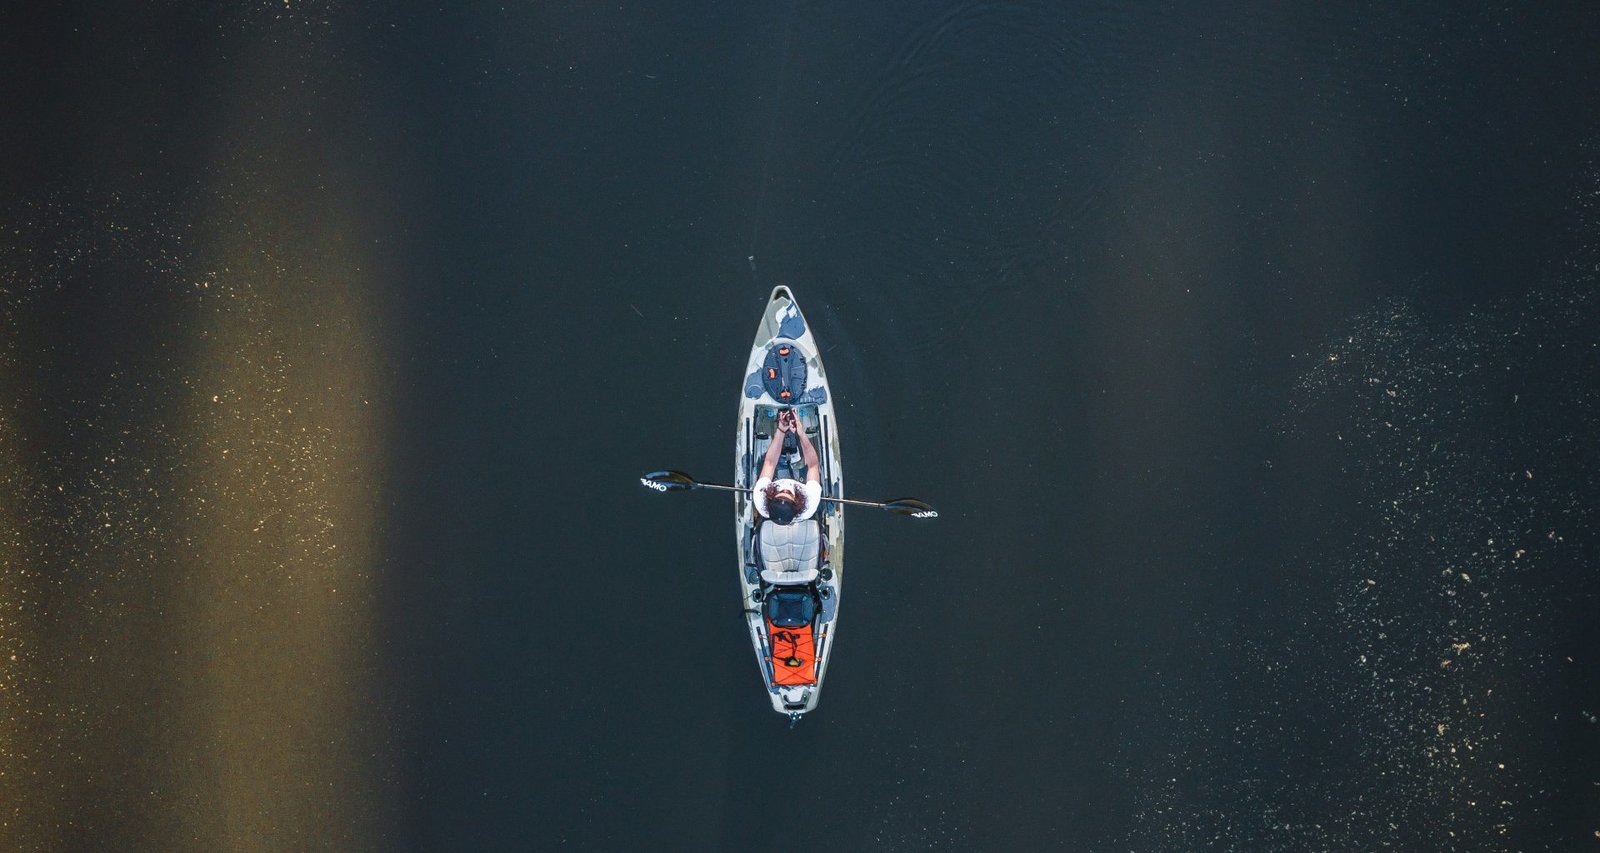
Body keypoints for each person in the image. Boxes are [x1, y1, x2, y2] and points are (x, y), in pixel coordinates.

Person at [754, 409, 823, 583]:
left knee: (766, 465)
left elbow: (770, 462)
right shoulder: (809, 501)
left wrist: (781, 430)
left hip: (782, 494)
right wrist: (801, 434)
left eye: (780, 493)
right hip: (800, 493)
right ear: (797, 502)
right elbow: (813, 465)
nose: (784, 488)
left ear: (771, 498)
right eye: (787, 493)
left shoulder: (761, 498)